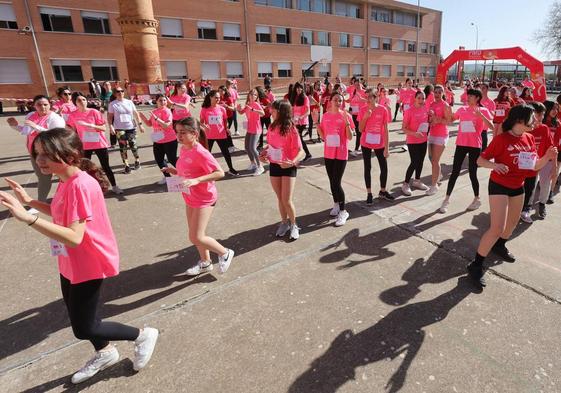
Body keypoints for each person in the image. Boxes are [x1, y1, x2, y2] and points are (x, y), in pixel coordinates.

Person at [0, 128, 158, 383]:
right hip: (70, 259)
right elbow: (60, 212)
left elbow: (74, 236)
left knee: (84, 327)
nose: (40, 160)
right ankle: (105, 352)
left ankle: (142, 335)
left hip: (88, 261)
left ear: (70, 154)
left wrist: (28, 218)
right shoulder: (65, 179)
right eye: (37, 153)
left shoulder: (80, 185)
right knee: (81, 315)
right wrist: (30, 200)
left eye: (47, 154)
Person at [467, 105, 558, 287]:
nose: (536, 121)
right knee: (496, 228)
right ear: (520, 120)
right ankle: (476, 265)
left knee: (512, 225)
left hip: (518, 186)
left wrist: (548, 157)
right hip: (499, 185)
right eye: (532, 118)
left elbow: (533, 166)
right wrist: (495, 166)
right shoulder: (501, 139)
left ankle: (499, 246)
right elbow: (479, 160)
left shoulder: (529, 138)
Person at [162, 117, 235, 276]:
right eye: (177, 132)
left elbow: (219, 173)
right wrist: (174, 172)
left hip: (204, 198)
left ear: (194, 134)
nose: (178, 136)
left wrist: (197, 180)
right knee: (196, 234)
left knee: (196, 236)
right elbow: (189, 170)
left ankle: (225, 252)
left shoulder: (201, 152)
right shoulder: (184, 148)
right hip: (190, 197)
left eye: (182, 132)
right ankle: (205, 262)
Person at [439, 89, 494, 213]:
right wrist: (447, 112)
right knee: (455, 172)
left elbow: (491, 127)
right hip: (461, 144)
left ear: (477, 98)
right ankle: (446, 199)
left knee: (472, 173)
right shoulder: (462, 109)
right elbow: (451, 119)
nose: (467, 98)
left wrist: (481, 116)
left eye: (470, 96)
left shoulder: (483, 110)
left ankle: (477, 198)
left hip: (475, 145)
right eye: (467, 95)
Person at [259, 100, 305, 240]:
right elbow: (270, 146)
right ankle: (284, 222)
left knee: (287, 200)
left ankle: (294, 225)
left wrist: (292, 162)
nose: (270, 112)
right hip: (274, 165)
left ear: (280, 111)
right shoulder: (272, 126)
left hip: (288, 166)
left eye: (272, 110)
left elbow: (301, 151)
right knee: (280, 198)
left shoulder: (291, 128)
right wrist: (263, 153)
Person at [6, 95, 65, 202]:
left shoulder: (55, 118)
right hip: (35, 153)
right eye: (39, 104)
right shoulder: (31, 115)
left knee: (63, 177)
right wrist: (15, 126)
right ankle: (41, 202)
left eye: (45, 104)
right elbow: (27, 131)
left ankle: (67, 198)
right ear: (34, 106)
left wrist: (36, 126)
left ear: (50, 105)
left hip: (51, 153)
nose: (43, 107)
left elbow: (56, 135)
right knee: (43, 178)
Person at [66, 92, 123, 194]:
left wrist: (90, 125)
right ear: (75, 103)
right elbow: (71, 131)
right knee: (84, 168)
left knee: (106, 166)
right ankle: (88, 189)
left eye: (84, 99)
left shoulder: (94, 112)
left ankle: (114, 186)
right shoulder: (73, 115)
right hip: (85, 145)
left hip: (99, 143)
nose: (82, 102)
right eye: (79, 100)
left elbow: (103, 128)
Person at [317, 92, 354, 226]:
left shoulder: (346, 115)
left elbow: (350, 137)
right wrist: (316, 122)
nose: (338, 102)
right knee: (331, 182)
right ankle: (336, 204)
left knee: (336, 182)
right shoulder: (326, 116)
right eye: (336, 100)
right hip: (328, 153)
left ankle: (344, 212)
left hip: (341, 154)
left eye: (340, 100)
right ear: (330, 101)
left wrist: (346, 123)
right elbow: (323, 136)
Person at [521, 102, 555, 222]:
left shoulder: (544, 128)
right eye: (538, 114)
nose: (541, 117)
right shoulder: (523, 129)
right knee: (524, 187)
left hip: (540, 162)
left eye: (543, 114)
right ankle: (521, 208)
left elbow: (551, 148)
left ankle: (534, 206)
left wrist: (554, 167)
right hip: (524, 165)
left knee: (538, 185)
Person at [358, 89, 394, 204]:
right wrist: (365, 117)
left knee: (384, 167)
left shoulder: (382, 109)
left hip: (379, 143)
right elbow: (360, 129)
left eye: (370, 97)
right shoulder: (363, 109)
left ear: (375, 97)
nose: (367, 100)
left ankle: (382, 191)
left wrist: (387, 148)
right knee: (367, 167)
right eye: (366, 97)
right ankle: (369, 193)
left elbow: (386, 129)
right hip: (366, 142)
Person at [139, 94, 178, 185]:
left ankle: (185, 173)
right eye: (160, 100)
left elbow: (166, 125)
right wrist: (142, 117)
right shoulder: (154, 111)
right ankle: (168, 178)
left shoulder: (167, 111)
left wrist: (157, 118)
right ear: (156, 101)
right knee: (159, 159)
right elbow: (149, 124)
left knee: (172, 159)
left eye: (164, 100)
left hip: (169, 139)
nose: (163, 102)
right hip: (158, 140)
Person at [200, 90, 239, 176]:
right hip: (209, 136)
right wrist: (204, 126)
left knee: (226, 153)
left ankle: (231, 168)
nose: (218, 99)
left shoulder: (222, 108)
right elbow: (201, 122)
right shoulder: (204, 109)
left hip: (221, 135)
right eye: (216, 97)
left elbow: (225, 120)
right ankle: (206, 170)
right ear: (210, 97)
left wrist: (227, 128)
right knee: (207, 154)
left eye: (219, 97)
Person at [107, 87, 145, 174]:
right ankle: (126, 165)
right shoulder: (112, 104)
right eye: (118, 91)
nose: (120, 93)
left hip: (131, 127)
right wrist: (111, 126)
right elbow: (110, 117)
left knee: (133, 145)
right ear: (115, 93)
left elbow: (136, 113)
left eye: (122, 91)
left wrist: (140, 125)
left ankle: (137, 160)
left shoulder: (129, 102)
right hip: (119, 128)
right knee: (123, 147)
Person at [401, 91, 430, 196]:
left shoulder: (426, 109)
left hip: (423, 140)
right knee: (414, 162)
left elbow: (427, 122)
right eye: (419, 98)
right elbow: (403, 128)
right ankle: (405, 184)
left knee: (421, 161)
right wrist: (414, 133)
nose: (421, 101)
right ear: (415, 98)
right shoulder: (409, 111)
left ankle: (417, 181)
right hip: (413, 141)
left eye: (423, 98)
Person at [426, 85, 452, 195]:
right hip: (432, 133)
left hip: (441, 135)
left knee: (435, 160)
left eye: (439, 92)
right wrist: (431, 120)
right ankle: (439, 175)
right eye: (435, 92)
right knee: (431, 158)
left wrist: (437, 119)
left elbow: (449, 121)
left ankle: (434, 186)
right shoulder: (432, 104)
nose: (436, 94)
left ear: (442, 93)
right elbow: (431, 120)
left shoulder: (445, 105)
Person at [237, 89, 265, 175]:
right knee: (246, 147)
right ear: (248, 95)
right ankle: (253, 163)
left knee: (252, 148)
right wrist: (238, 109)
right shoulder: (248, 105)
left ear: (257, 97)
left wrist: (254, 110)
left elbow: (263, 113)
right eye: (252, 94)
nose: (253, 96)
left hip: (256, 129)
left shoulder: (256, 104)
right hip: (250, 129)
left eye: (255, 95)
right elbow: (241, 112)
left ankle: (260, 166)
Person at [289, 82, 312, 161]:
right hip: (295, 121)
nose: (298, 89)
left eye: (300, 88)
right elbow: (292, 110)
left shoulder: (305, 98)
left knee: (299, 137)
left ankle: (307, 154)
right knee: (296, 137)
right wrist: (291, 117)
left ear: (302, 89)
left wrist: (300, 118)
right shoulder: (295, 97)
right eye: (297, 88)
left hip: (302, 122)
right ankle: (301, 154)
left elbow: (308, 112)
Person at [544, 100, 561, 204]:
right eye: (553, 108)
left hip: (555, 151)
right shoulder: (541, 121)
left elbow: (558, 138)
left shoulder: (558, 123)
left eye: (556, 108)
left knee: (554, 172)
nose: (555, 111)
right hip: (541, 153)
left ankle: (550, 192)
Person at [348, 79, 367, 157]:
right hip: (354, 114)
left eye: (358, 85)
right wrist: (350, 109)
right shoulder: (354, 92)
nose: (357, 86)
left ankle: (357, 149)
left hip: (362, 114)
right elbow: (351, 101)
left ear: (361, 84)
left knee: (360, 132)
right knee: (358, 131)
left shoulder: (364, 92)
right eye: (355, 85)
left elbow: (369, 101)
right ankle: (361, 148)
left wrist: (362, 100)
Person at [477, 83, 496, 151]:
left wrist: (485, 110)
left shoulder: (491, 102)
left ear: (487, 89)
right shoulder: (477, 100)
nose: (481, 90)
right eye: (480, 88)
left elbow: (492, 116)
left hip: (484, 128)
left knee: (483, 148)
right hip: (475, 127)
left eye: (483, 88)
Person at [257, 86, 272, 150]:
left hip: (266, 117)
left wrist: (265, 107)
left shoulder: (264, 98)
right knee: (260, 131)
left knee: (270, 130)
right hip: (260, 117)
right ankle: (260, 144)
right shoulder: (257, 99)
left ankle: (271, 144)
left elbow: (270, 104)